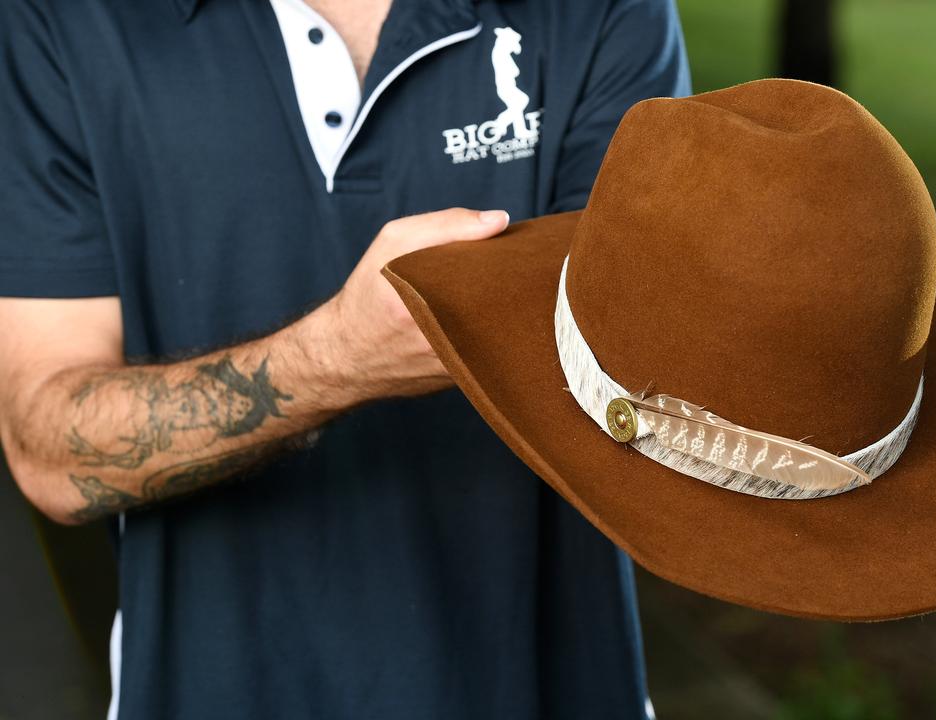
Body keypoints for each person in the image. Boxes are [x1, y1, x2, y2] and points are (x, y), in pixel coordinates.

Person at [0, 0, 689, 717]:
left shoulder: (605, 11)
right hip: (206, 685)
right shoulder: (61, 19)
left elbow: (652, 363)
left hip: (551, 682)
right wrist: (334, 360)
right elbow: (49, 450)